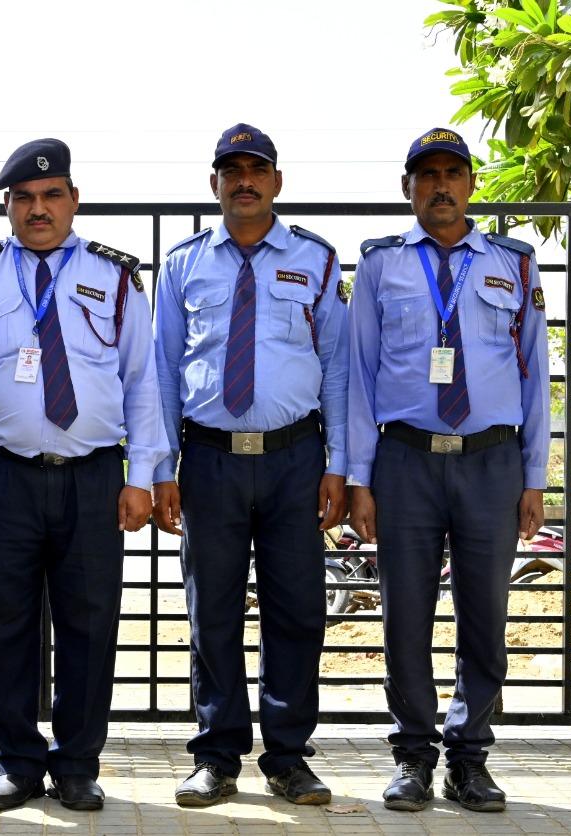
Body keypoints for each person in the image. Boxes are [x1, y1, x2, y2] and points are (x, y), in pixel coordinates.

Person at [0, 138, 166, 812]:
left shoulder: (115, 277)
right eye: (24, 198)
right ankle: (18, 762)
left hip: (93, 476)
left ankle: (78, 765)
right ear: (8, 206)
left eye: (51, 195)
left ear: (73, 200)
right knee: (1, 623)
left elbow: (143, 382)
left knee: (90, 623)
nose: (38, 209)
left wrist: (141, 474)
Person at [347, 127, 549, 813]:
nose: (440, 186)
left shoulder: (514, 264)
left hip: (492, 462)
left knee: (484, 616)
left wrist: (534, 477)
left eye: (452, 174)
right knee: (405, 616)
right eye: (427, 175)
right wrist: (360, 478)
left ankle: (470, 759)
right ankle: (412, 757)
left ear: (470, 184)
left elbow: (535, 374)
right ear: (407, 188)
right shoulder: (380, 266)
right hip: (405, 461)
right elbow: (359, 377)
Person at [151, 123, 348, 808]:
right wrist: (161, 467)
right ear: (214, 184)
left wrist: (340, 464)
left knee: (297, 609)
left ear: (276, 182)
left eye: (256, 170)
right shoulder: (183, 265)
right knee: (212, 612)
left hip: (296, 458)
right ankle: (217, 754)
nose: (244, 181)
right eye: (231, 171)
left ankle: (289, 757)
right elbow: (161, 370)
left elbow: (338, 368)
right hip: (210, 458)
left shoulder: (316, 259)